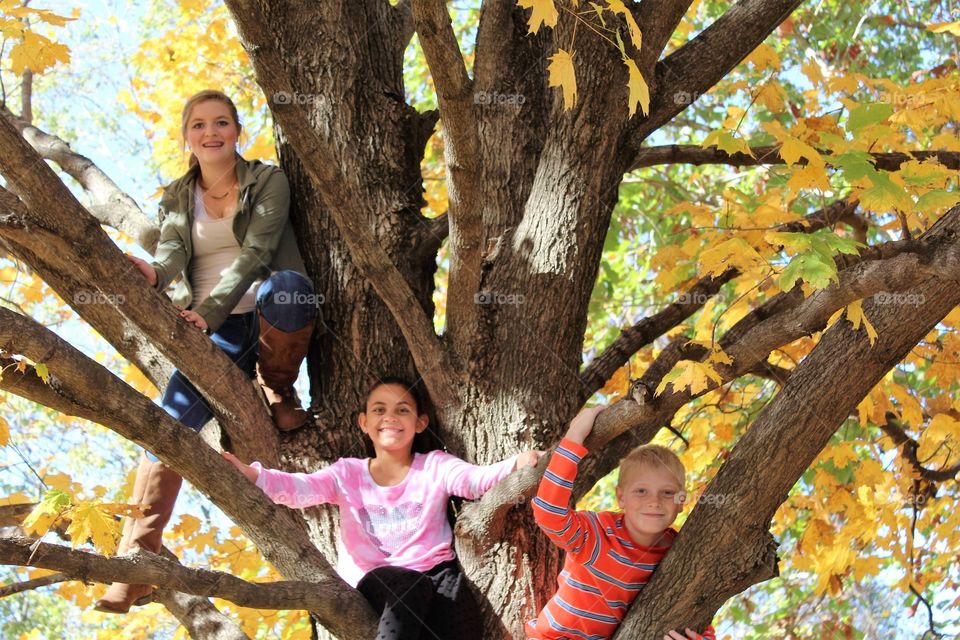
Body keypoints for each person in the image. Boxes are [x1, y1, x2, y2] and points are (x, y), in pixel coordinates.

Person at [95, 90, 318, 614]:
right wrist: (154, 272)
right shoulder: (177, 194)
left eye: (221, 122)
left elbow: (260, 250)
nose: (210, 132)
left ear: (237, 131)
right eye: (199, 124)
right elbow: (171, 250)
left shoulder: (268, 181)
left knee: (287, 285)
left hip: (259, 312)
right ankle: (138, 562)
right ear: (186, 135)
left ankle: (277, 387)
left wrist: (212, 311)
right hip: (207, 329)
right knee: (168, 424)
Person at [224, 377, 543, 640]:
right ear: (364, 423)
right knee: (409, 587)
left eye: (402, 410)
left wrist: (515, 464)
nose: (390, 417)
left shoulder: (434, 466)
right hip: (376, 580)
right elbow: (301, 488)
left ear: (420, 423)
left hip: (435, 574)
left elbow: (475, 480)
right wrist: (255, 475)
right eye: (379, 410)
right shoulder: (347, 473)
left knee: (461, 623)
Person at [527, 407, 716, 640]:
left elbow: (698, 603)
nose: (654, 501)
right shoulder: (597, 534)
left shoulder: (679, 553)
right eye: (641, 491)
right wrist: (574, 436)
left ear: (681, 501)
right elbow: (548, 511)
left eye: (667, 492)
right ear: (621, 498)